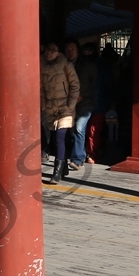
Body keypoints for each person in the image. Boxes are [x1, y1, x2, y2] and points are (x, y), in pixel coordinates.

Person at [40, 40, 80, 181]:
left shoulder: (66, 65)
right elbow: (40, 89)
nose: (49, 53)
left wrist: (70, 105)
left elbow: (75, 86)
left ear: (59, 53)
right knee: (54, 139)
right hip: (50, 107)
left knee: (60, 137)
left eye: (53, 50)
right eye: (47, 50)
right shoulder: (41, 66)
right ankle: (63, 168)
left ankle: (56, 173)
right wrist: (43, 105)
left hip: (65, 107)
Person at [67, 39, 98, 167]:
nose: (70, 52)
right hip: (69, 102)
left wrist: (83, 95)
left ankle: (77, 159)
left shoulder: (87, 64)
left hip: (86, 102)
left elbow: (95, 82)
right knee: (71, 129)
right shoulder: (64, 64)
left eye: (72, 49)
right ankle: (79, 154)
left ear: (77, 50)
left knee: (79, 128)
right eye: (67, 49)